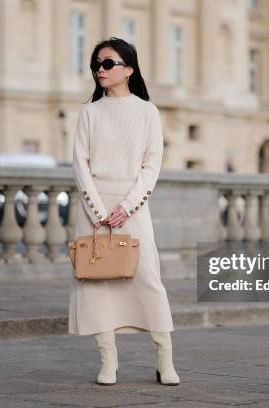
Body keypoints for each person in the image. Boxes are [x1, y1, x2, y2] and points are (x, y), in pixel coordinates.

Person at [68, 37, 180, 387]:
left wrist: (126, 206)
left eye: (108, 64)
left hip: (133, 207)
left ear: (128, 69)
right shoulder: (90, 112)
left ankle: (164, 359)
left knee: (147, 279)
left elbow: (152, 165)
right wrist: (98, 209)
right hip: (93, 207)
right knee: (96, 282)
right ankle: (108, 361)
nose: (100, 70)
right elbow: (80, 164)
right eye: (96, 65)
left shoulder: (148, 112)